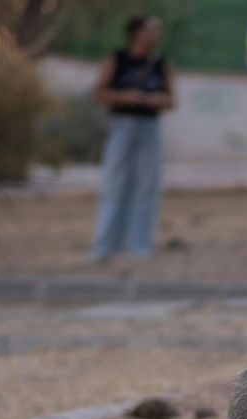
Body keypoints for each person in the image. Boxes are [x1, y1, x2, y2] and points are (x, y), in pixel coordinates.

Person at [91, 15, 175, 262]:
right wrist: (125, 96)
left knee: (147, 185)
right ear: (136, 33)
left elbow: (171, 99)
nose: (157, 35)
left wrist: (153, 100)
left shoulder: (162, 62)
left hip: (150, 126)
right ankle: (105, 245)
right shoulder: (117, 59)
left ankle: (140, 246)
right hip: (122, 125)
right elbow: (99, 92)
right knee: (114, 183)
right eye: (152, 30)